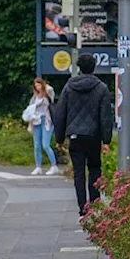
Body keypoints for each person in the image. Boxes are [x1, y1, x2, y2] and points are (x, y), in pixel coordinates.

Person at [53, 53, 115, 217]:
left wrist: (59, 139)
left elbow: (61, 114)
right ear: (94, 67)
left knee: (79, 172)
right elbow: (105, 116)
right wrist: (106, 140)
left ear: (79, 67)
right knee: (95, 169)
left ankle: (83, 207)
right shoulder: (101, 88)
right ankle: (94, 204)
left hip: (75, 136)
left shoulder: (69, 87)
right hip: (94, 136)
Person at [24, 77, 60, 176]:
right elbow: (30, 107)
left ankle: (54, 166)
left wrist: (44, 86)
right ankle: (38, 167)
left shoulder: (47, 93)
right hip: (36, 121)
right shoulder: (35, 96)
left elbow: (51, 91)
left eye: (39, 85)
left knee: (45, 145)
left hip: (46, 120)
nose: (37, 87)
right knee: (37, 145)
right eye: (36, 86)